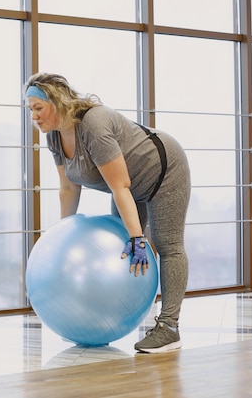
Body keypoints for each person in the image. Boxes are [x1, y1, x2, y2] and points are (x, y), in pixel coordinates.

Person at [24, 72, 190, 354]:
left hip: (164, 170)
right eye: (30, 111)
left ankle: (169, 327)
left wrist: (138, 238)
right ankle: (113, 316)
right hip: (128, 186)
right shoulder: (54, 138)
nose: (34, 117)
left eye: (38, 108)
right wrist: (63, 235)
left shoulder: (93, 124)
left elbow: (120, 185)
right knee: (121, 250)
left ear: (58, 101)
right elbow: (68, 188)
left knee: (165, 245)